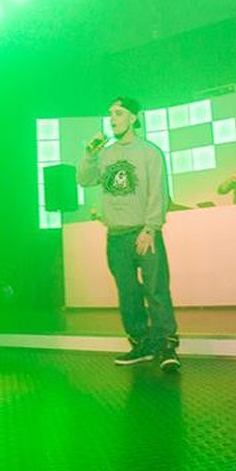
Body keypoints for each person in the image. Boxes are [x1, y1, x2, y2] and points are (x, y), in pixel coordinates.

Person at [78, 97, 180, 371]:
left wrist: (150, 229)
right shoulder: (105, 154)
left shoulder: (149, 152)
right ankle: (142, 344)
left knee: (156, 289)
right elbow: (84, 180)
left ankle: (166, 346)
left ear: (133, 117)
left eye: (119, 113)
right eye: (111, 113)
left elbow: (158, 193)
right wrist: (89, 153)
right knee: (128, 293)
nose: (113, 119)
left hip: (143, 232)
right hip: (116, 236)